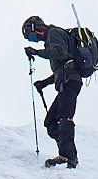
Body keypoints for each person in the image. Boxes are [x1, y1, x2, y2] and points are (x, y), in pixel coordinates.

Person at [25, 15, 92, 169]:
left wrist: (36, 52)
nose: (34, 40)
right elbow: (61, 66)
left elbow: (59, 53)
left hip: (70, 81)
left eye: (32, 36)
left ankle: (67, 156)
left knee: (64, 116)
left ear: (37, 28)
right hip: (66, 81)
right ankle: (69, 153)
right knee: (50, 122)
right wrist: (45, 83)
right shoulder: (52, 38)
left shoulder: (54, 34)